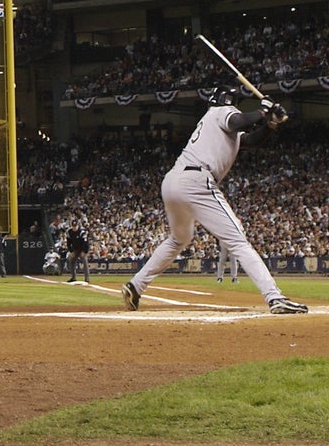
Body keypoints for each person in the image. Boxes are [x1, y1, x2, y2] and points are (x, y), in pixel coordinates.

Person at [121, 88, 308, 315]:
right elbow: (238, 121)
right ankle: (275, 297)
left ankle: (136, 286)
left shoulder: (217, 124)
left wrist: (270, 123)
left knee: (179, 239)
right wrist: (263, 110)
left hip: (173, 181)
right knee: (237, 239)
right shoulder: (220, 112)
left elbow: (249, 139)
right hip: (196, 180)